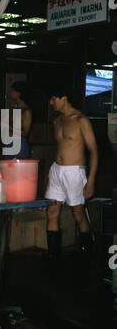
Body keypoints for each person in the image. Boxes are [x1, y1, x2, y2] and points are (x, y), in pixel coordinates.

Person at [44, 88, 98, 269]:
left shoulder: (81, 120)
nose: (51, 103)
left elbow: (94, 152)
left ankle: (87, 253)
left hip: (75, 171)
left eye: (53, 98)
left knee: (78, 214)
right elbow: (60, 147)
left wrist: (90, 180)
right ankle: (53, 258)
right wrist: (52, 171)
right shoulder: (58, 120)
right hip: (56, 170)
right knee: (51, 212)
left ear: (64, 97)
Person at [2, 81, 32, 159]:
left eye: (12, 91)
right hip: (9, 144)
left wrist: (6, 125)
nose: (10, 92)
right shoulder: (13, 108)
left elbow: (25, 134)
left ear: (18, 93)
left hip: (19, 145)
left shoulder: (26, 111)